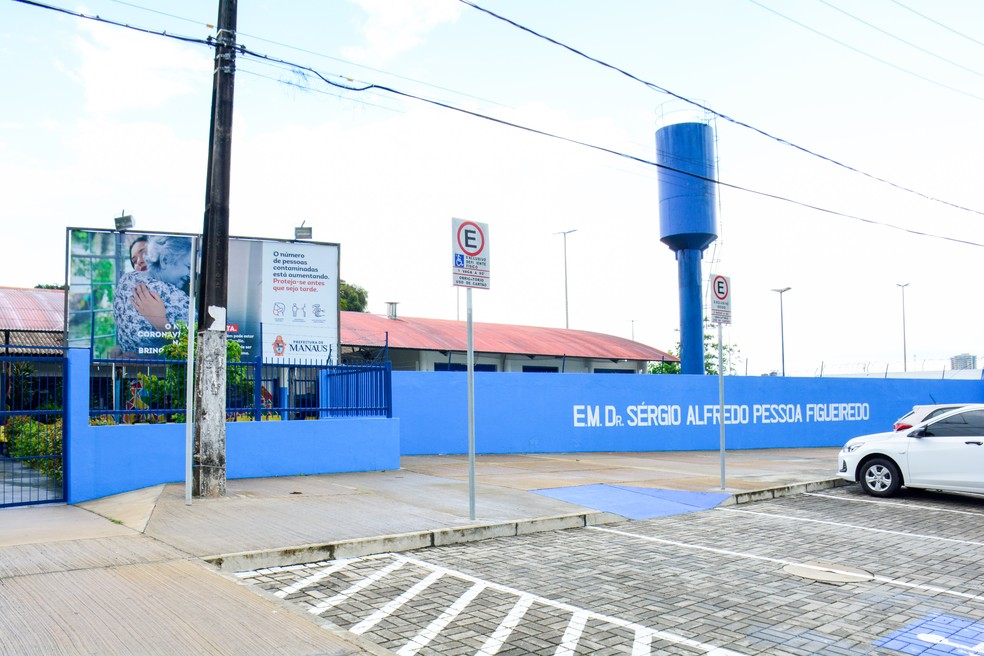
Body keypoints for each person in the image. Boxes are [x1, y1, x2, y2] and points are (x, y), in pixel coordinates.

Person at [113, 236, 193, 356]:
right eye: (134, 261)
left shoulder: (126, 280)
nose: (141, 261)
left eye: (146, 253)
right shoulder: (176, 298)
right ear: (165, 260)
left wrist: (160, 322)